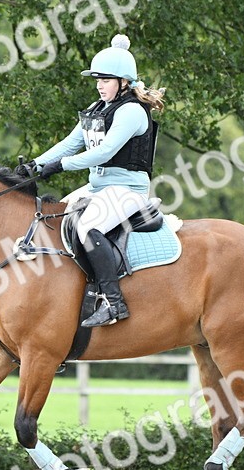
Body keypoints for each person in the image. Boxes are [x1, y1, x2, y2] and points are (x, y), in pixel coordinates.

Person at [24, 34, 166, 327]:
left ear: (124, 82)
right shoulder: (98, 108)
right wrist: (35, 164)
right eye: (97, 79)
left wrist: (60, 167)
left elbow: (104, 152)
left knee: (89, 227)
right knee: (55, 219)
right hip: (99, 186)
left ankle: (114, 303)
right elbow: (69, 143)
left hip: (128, 189)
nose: (100, 85)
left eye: (106, 80)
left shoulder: (131, 111)